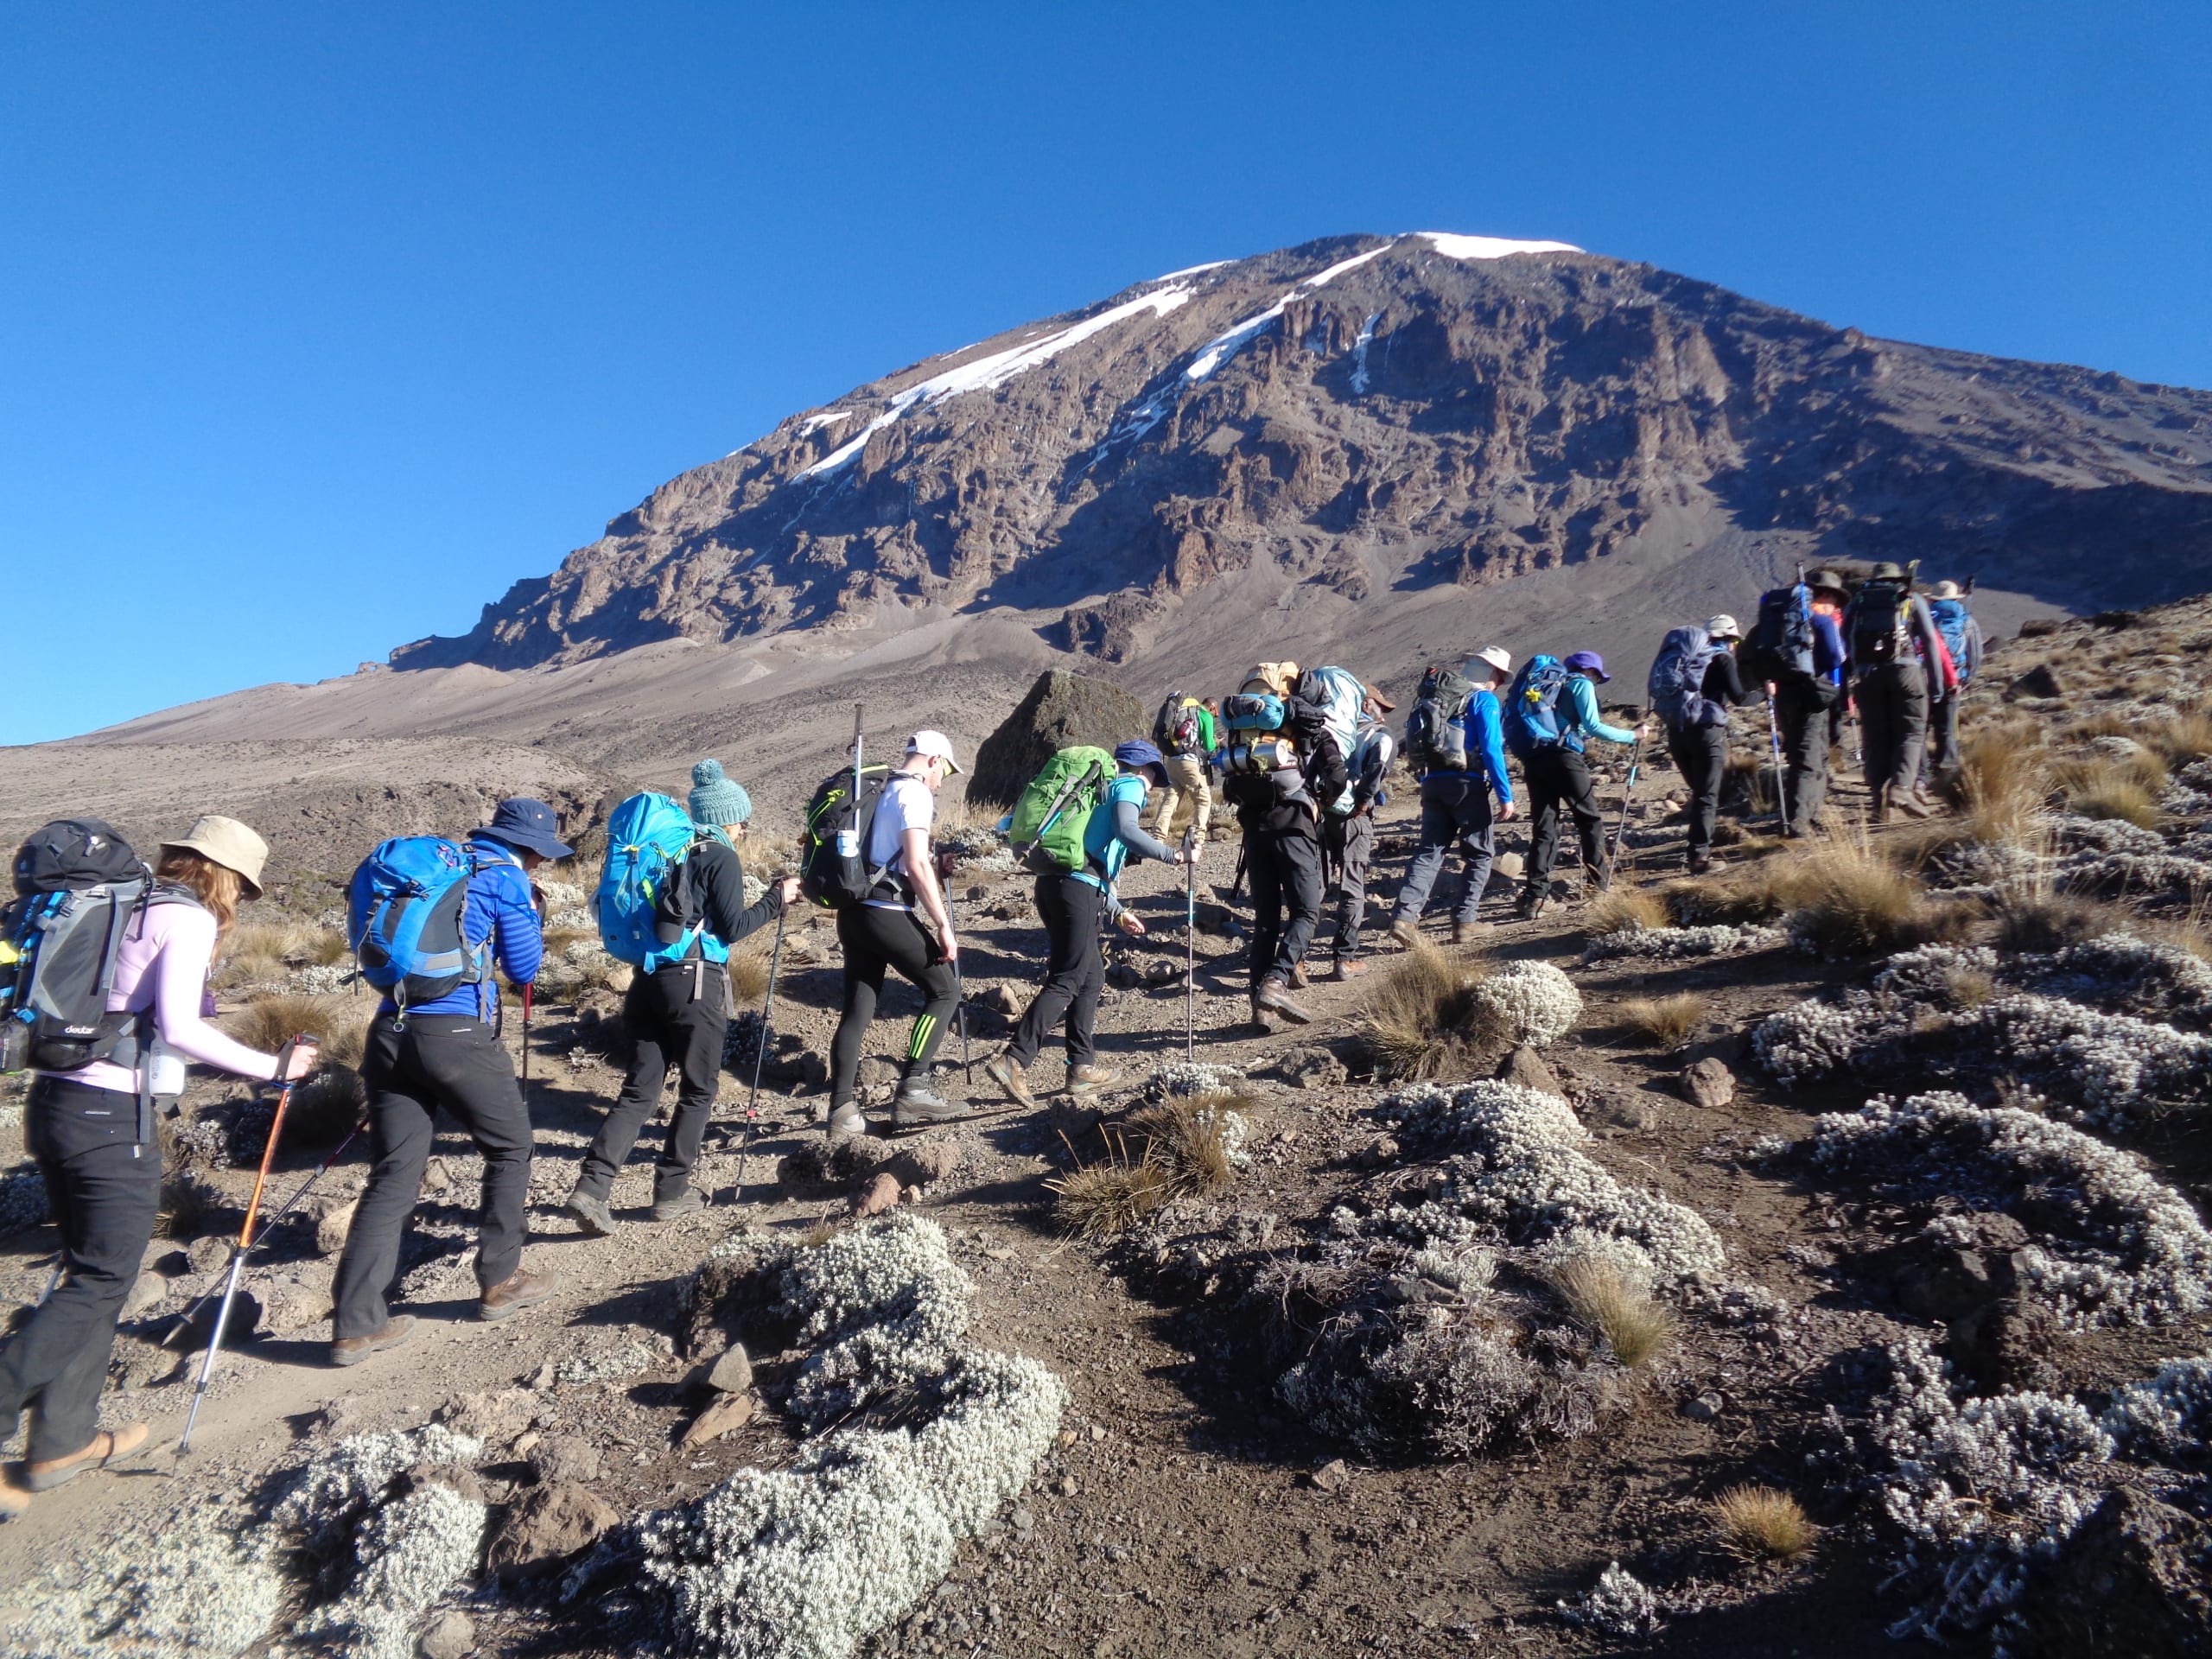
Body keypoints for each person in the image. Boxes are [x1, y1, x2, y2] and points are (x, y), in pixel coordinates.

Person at [0, 817, 316, 1511]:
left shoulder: (120, 903)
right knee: (101, 1278)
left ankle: (63, 1439)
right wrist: (276, 1068)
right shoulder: (188, 918)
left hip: (53, 1104)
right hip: (113, 1119)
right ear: (228, 874)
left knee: (91, 1276)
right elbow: (179, 1028)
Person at [331, 798, 567, 1365]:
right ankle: (500, 1279)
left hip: (389, 1031)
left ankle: (354, 1326)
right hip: (455, 1034)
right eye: (541, 857)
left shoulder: (438, 869)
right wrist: (529, 912)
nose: (540, 865)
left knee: (392, 1176)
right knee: (512, 1147)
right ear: (530, 849)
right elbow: (525, 968)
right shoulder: (503, 878)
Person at [566, 762, 801, 1234]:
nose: (743, 828)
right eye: (742, 820)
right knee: (698, 1089)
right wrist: (779, 898)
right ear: (728, 817)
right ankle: (672, 1191)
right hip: (694, 982)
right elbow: (733, 928)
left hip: (647, 980)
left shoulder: (674, 851)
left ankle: (592, 1187)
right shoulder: (719, 855)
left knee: (640, 1090)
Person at [983, 741, 1192, 1107]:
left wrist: (1116, 910)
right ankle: (1014, 1059)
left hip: (1059, 886)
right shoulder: (1128, 784)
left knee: (1091, 976)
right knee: (1067, 978)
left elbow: (1090, 857)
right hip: (1077, 890)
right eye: (1153, 777)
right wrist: (1173, 855)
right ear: (1146, 770)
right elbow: (1127, 831)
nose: (1152, 786)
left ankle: (1081, 1067)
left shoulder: (1097, 792)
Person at [826, 730, 965, 1139]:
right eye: (948, 770)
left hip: (853, 913)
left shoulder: (876, 789)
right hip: (887, 912)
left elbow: (895, 858)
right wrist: (943, 924)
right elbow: (916, 864)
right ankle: (914, 1087)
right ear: (935, 759)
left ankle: (842, 1113)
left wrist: (930, 869)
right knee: (945, 991)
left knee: (857, 1009)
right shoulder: (916, 794)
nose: (944, 780)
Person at [1223, 663, 1346, 1029]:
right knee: (1307, 911)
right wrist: (1319, 800)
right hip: (1294, 828)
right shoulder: (1308, 727)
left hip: (1253, 832)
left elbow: (1229, 787)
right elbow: (1337, 777)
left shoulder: (1243, 731)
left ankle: (1258, 1007)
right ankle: (1276, 982)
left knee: (1265, 920)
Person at [1389, 648, 1517, 950]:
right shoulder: (1483, 700)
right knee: (1480, 854)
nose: (1499, 683)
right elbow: (1491, 748)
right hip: (1467, 784)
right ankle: (1465, 922)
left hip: (1432, 781)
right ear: (1493, 675)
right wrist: (1505, 795)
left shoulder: (1440, 699)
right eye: (1499, 677)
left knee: (1429, 852)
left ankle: (1404, 919)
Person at [1513, 652, 1648, 920]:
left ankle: (1535, 896)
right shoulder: (1580, 683)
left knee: (1545, 827)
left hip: (1535, 760)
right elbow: (1594, 726)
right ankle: (1598, 886)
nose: (1597, 682)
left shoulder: (1551, 686)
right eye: (1598, 677)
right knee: (1589, 821)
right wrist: (1633, 736)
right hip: (1565, 760)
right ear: (1592, 672)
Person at [1846, 563, 1950, 821]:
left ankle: (1877, 801)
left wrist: (1849, 678)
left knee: (1876, 736)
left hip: (1867, 676)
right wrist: (1936, 685)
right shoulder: (1910, 598)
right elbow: (1929, 641)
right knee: (1912, 732)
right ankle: (1902, 789)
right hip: (1906, 670)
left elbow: (1843, 640)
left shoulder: (1858, 601)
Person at [1662, 616, 1764, 875]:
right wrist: (1766, 692)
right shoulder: (1722, 659)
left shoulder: (1685, 659)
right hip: (1706, 733)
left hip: (1677, 732)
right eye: (1735, 641)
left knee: (1700, 792)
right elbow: (1740, 697)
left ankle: (1696, 847)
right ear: (1729, 639)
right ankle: (1699, 858)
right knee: (1708, 797)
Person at [1320, 700, 1399, 976]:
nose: (1385, 715)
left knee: (1318, 883)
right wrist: (1364, 802)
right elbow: (1377, 768)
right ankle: (1345, 957)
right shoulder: (1380, 736)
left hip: (1324, 815)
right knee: (1352, 885)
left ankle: (1297, 959)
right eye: (1382, 708)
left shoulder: (1334, 731)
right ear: (1367, 705)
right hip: (1354, 818)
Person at [1921, 579, 1983, 785]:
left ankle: (1920, 772)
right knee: (1948, 726)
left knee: (1920, 727)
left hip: (1924, 679)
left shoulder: (1923, 618)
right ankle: (1946, 770)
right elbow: (1974, 653)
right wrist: (1966, 679)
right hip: (1953, 680)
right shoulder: (1966, 621)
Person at [1144, 691, 1215, 843]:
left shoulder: (1183, 711)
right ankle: (1198, 839)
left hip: (1171, 761)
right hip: (1188, 762)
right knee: (1203, 800)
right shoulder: (1205, 714)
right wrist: (1217, 743)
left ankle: (1158, 838)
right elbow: (1209, 745)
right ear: (1213, 708)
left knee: (1169, 801)